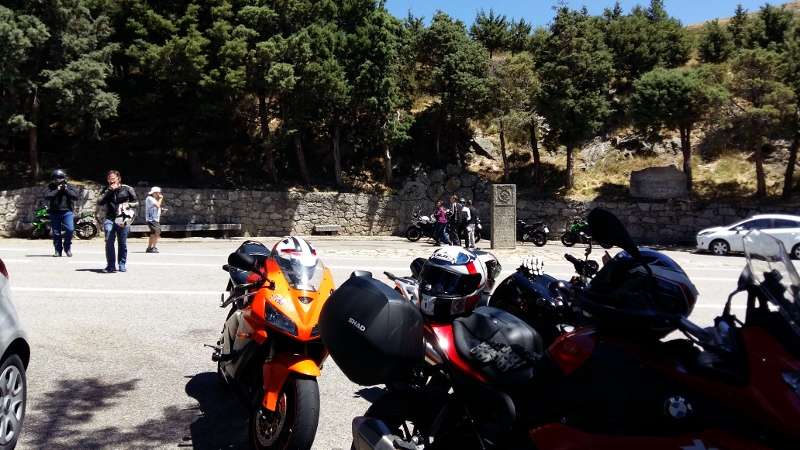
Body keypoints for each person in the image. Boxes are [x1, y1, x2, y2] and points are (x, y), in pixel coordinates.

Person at [97, 170, 138, 272]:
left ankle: (122, 264)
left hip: (123, 219)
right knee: (109, 241)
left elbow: (136, 202)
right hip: (110, 219)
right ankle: (111, 265)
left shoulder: (127, 189)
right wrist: (110, 191)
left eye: (113, 178)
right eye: (109, 179)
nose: (111, 181)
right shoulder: (106, 190)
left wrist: (129, 204)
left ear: (118, 179)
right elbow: (100, 202)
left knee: (122, 243)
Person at [44, 169, 79, 257]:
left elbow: (75, 196)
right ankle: (58, 250)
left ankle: (67, 247)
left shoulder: (69, 186)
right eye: (56, 178)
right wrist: (57, 190)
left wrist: (66, 190)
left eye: (60, 178)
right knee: (56, 233)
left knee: (70, 229)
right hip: (54, 212)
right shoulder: (51, 186)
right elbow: (47, 196)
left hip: (67, 212)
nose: (58, 180)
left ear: (64, 178)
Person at [145, 186, 164, 253]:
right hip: (152, 219)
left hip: (154, 219)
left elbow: (155, 208)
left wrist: (162, 210)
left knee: (153, 233)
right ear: (154, 193)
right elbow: (158, 205)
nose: (159, 194)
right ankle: (154, 247)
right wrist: (161, 198)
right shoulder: (150, 198)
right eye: (158, 193)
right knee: (157, 232)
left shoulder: (153, 199)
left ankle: (149, 248)